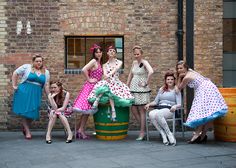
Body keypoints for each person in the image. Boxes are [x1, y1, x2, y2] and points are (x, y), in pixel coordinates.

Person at [176, 60, 228, 143]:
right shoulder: (191, 71)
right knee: (209, 113)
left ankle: (197, 135)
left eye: (181, 68)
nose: (179, 70)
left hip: (204, 90)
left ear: (185, 68)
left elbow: (179, 88)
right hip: (208, 87)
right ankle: (202, 136)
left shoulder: (187, 77)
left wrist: (179, 77)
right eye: (178, 68)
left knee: (202, 113)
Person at [88, 45, 134, 121]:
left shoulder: (119, 62)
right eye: (110, 50)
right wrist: (107, 77)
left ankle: (98, 101)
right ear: (107, 53)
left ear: (115, 53)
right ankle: (112, 111)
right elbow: (105, 74)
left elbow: (116, 69)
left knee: (110, 87)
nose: (112, 52)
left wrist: (108, 76)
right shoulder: (104, 65)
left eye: (114, 51)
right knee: (106, 85)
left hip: (116, 82)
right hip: (108, 81)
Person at [12, 54, 50, 140]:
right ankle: (28, 131)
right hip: (24, 91)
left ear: (42, 62)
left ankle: (25, 127)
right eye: (37, 61)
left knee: (33, 113)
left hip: (36, 93)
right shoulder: (26, 67)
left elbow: (46, 85)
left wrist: (49, 96)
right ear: (33, 62)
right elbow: (15, 73)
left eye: (40, 61)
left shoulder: (46, 72)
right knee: (25, 112)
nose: (39, 63)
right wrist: (14, 85)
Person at [73, 44, 103, 139]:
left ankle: (79, 130)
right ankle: (81, 131)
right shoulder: (94, 61)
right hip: (90, 87)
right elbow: (84, 69)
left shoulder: (99, 62)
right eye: (96, 52)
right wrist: (89, 79)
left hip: (95, 87)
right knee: (86, 110)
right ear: (94, 53)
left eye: (100, 52)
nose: (98, 54)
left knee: (86, 111)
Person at [144, 71, 181, 146]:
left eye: (171, 79)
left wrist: (175, 106)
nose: (170, 81)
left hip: (170, 109)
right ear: (165, 80)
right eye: (168, 79)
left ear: (174, 80)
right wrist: (149, 104)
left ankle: (169, 134)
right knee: (151, 113)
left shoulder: (176, 90)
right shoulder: (162, 89)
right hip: (160, 107)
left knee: (158, 114)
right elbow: (156, 101)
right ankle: (163, 134)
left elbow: (179, 104)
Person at [127, 45, 153, 140]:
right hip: (133, 88)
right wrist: (127, 85)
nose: (136, 56)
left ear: (141, 54)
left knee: (142, 110)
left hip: (142, 90)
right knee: (133, 109)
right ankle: (144, 128)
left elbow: (151, 72)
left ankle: (142, 132)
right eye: (135, 54)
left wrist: (146, 83)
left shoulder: (144, 62)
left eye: (138, 54)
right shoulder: (134, 62)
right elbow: (130, 74)